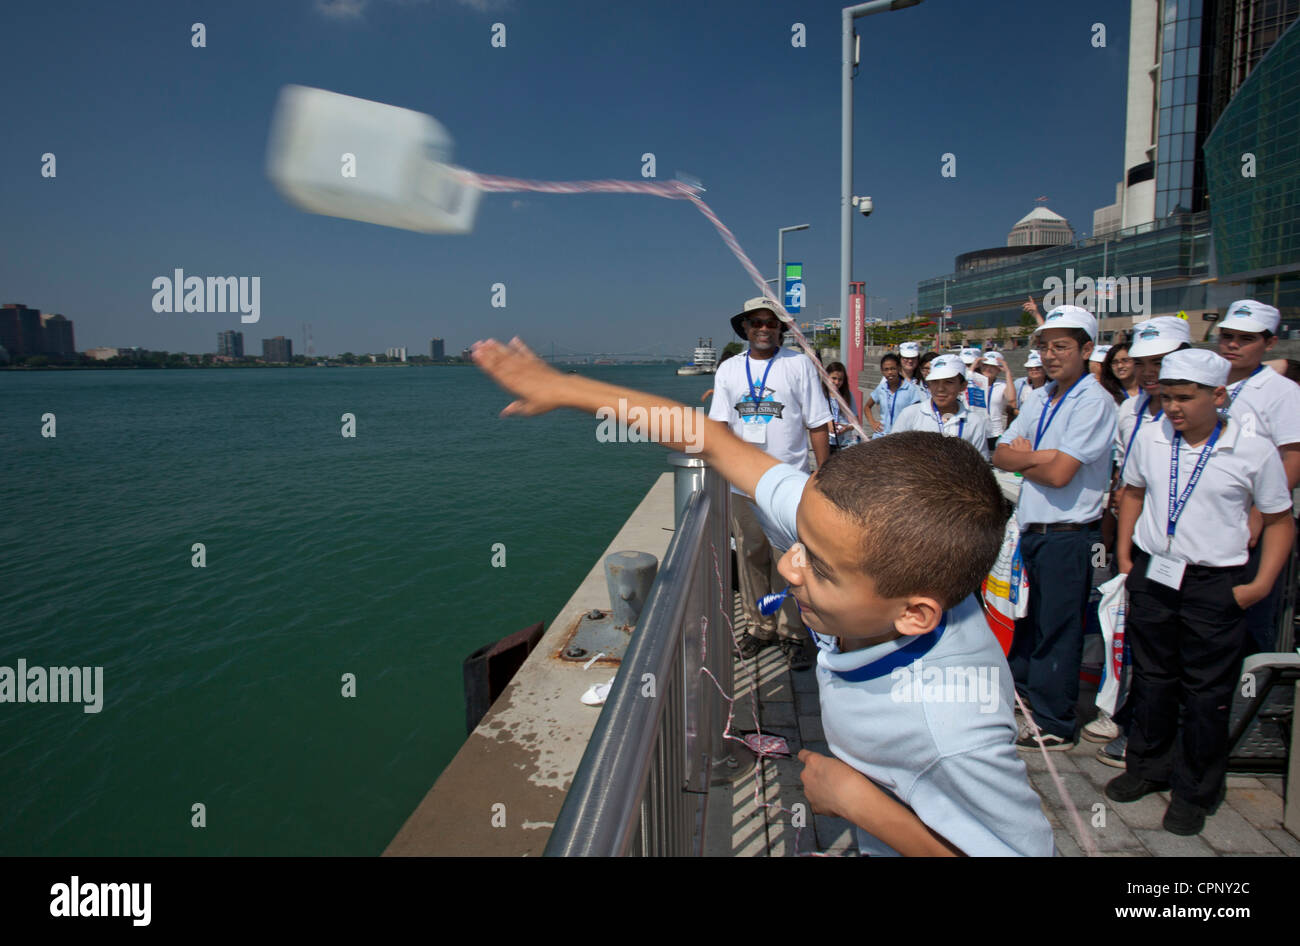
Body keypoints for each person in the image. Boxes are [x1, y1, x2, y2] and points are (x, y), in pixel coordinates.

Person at [471, 336, 1054, 856]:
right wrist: (564, 388)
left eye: (818, 567)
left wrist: (861, 805)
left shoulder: (946, 728)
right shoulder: (857, 539)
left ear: (914, 614)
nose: (787, 564)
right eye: (800, 539)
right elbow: (709, 439)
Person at [1108, 348, 1295, 835]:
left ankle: (1195, 790)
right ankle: (1147, 767)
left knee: (1205, 693)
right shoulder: (1152, 436)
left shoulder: (1251, 449)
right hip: (1155, 573)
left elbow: (1278, 521)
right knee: (1151, 679)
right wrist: (1127, 556)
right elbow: (1133, 492)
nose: (1172, 407)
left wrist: (1259, 586)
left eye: (1184, 398)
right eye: (1167, 396)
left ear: (1217, 396)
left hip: (1216, 583)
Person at [993, 305, 1118, 750]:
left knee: (1057, 630)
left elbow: (1063, 474)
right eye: (1044, 346)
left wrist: (1030, 459)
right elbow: (999, 455)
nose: (1050, 355)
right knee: (1028, 623)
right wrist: (1044, 456)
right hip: (1033, 531)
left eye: (1061, 346)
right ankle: (1025, 699)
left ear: (1087, 350)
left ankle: (1055, 722)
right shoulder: (1041, 397)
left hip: (1069, 534)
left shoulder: (1094, 402)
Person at [707, 297, 831, 670]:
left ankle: (792, 633)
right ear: (744, 327)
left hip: (789, 484)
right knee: (749, 558)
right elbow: (719, 427)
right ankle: (759, 627)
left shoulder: (798, 365)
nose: (764, 328)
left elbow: (818, 423)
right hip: (742, 485)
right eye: (756, 322)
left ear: (780, 328)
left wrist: (823, 478)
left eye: (771, 322)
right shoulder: (729, 369)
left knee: (790, 563)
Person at [1215, 299, 1300, 654]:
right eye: (1228, 336)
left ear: (1269, 342)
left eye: (1246, 338)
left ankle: (1245, 704)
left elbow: (1293, 457)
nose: (1234, 344)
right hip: (1211, 515)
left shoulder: (1282, 392)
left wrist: (1260, 514)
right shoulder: (1209, 382)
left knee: (1248, 619)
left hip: (1255, 519)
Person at [892, 354, 989, 458]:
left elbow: (980, 463)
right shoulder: (910, 414)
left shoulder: (974, 422)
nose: (940, 389)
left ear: (962, 386)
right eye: (935, 382)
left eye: (948, 382)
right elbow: (892, 452)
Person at [864, 353, 921, 438]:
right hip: (881, 437)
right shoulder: (881, 388)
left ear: (899, 368)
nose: (889, 372)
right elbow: (867, 407)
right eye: (886, 369)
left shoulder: (910, 389)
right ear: (882, 371)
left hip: (902, 438)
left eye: (893, 369)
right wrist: (873, 423)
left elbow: (917, 414)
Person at [977, 351, 1018, 455]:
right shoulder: (974, 382)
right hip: (977, 429)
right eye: (985, 365)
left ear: (998, 369)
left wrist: (1008, 373)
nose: (988, 369)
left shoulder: (1002, 385)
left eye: (992, 366)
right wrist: (974, 365)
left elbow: (1012, 398)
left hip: (995, 431)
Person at [822, 361, 860, 453]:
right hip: (825, 442)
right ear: (827, 377)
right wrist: (828, 424)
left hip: (844, 443)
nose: (837, 382)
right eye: (834, 378)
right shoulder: (820, 394)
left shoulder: (848, 395)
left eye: (840, 379)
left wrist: (846, 428)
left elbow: (855, 422)